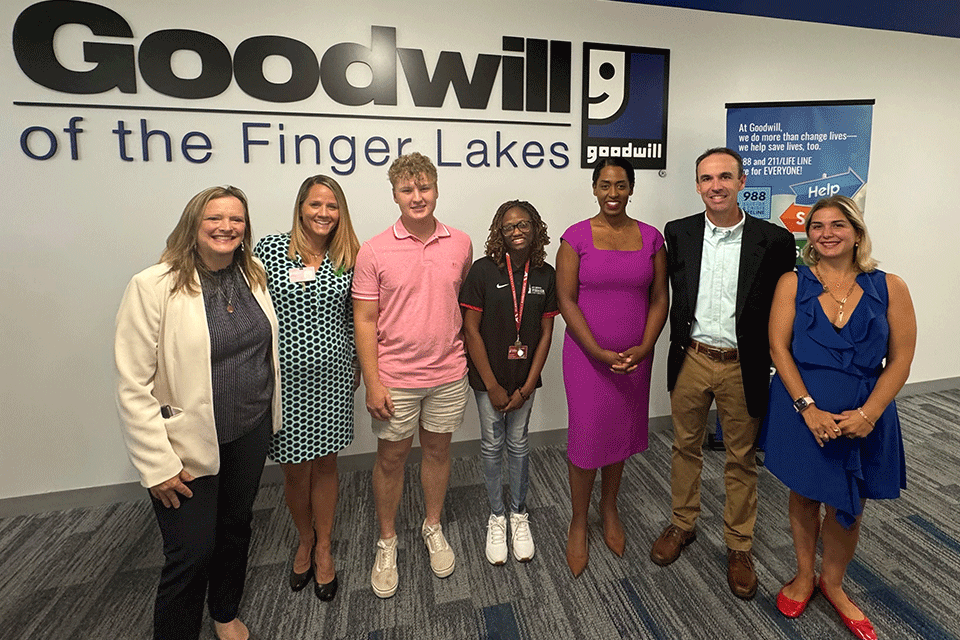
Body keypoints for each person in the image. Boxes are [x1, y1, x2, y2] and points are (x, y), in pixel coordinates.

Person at [115, 186, 281, 640]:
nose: (227, 227)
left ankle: (225, 611)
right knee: (191, 552)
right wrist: (156, 465)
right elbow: (133, 385)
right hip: (183, 446)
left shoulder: (254, 274)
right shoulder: (152, 285)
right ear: (194, 223)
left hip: (249, 430)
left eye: (237, 219)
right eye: (215, 218)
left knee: (235, 528)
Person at [763, 195, 915, 640]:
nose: (826, 233)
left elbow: (902, 360)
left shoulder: (891, 286)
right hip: (802, 410)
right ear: (807, 235)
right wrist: (807, 409)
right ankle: (803, 576)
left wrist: (870, 414)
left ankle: (833, 584)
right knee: (805, 494)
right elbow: (779, 349)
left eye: (837, 225)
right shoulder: (793, 283)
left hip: (863, 415)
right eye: (817, 226)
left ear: (857, 233)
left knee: (849, 501)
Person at [650, 148, 795, 600]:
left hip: (742, 364)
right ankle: (683, 523)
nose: (716, 185)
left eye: (725, 177)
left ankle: (739, 545)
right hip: (691, 357)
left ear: (741, 181)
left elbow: (782, 304)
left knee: (741, 457)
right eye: (707, 178)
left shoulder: (773, 240)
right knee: (684, 447)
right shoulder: (679, 233)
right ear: (697, 185)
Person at [352, 152, 473, 598]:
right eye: (407, 189)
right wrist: (374, 381)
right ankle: (387, 541)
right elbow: (364, 320)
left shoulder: (461, 243)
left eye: (424, 188)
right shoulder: (374, 249)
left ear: (436, 189)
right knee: (391, 459)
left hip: (447, 372)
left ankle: (432, 526)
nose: (417, 197)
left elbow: (456, 304)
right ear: (395, 194)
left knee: (439, 453)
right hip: (396, 378)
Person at [556, 157, 669, 577]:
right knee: (587, 439)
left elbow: (660, 298)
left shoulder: (652, 238)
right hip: (588, 358)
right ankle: (579, 521)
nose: (613, 194)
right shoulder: (575, 238)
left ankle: (610, 507)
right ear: (594, 188)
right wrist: (599, 352)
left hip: (635, 358)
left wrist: (644, 346)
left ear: (632, 188)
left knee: (619, 434)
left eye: (621, 185)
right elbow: (566, 299)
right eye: (605, 185)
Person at [253, 175, 360, 601]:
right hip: (286, 381)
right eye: (316, 205)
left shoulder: (348, 255)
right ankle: (304, 537)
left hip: (334, 378)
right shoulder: (271, 251)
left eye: (332, 206)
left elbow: (357, 317)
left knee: (327, 465)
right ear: (300, 208)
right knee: (295, 470)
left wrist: (358, 366)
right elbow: (254, 311)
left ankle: (325, 546)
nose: (323, 213)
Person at [459, 200, 559, 565]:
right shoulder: (483, 271)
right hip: (489, 380)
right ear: (498, 233)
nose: (517, 232)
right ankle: (496, 516)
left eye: (524, 225)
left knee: (518, 443)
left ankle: (518, 514)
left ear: (536, 228)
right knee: (491, 444)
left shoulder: (546, 275)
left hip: (524, 380)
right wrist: (493, 385)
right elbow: (470, 331)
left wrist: (528, 386)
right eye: (509, 227)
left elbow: (546, 334)